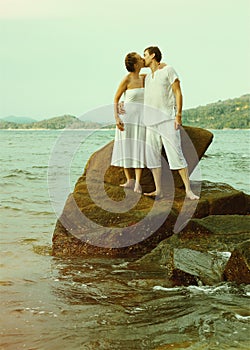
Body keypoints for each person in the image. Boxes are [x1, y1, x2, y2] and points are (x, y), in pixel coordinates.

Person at [142, 46, 199, 200]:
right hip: (150, 122)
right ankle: (158, 190)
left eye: (145, 55)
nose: (143, 58)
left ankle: (188, 190)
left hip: (167, 119)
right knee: (153, 157)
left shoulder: (168, 70)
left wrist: (178, 115)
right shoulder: (147, 77)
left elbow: (178, 92)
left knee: (176, 154)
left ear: (153, 55)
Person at [111, 52, 146, 193]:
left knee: (139, 147)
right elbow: (115, 99)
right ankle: (129, 180)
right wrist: (117, 118)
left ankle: (138, 183)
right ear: (135, 64)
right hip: (127, 118)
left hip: (141, 118)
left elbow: (160, 66)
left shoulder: (145, 78)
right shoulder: (126, 79)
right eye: (140, 58)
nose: (143, 59)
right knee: (126, 147)